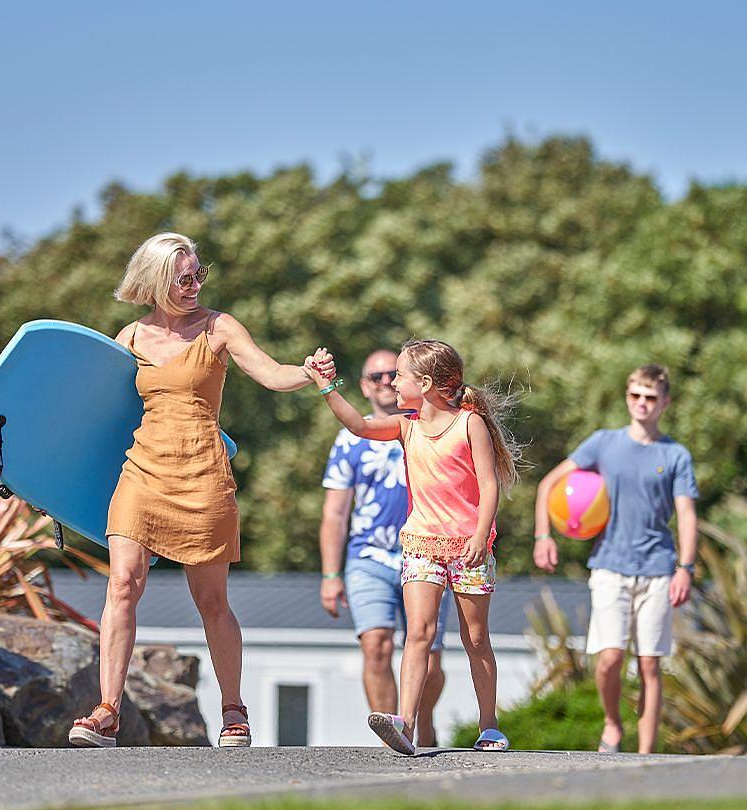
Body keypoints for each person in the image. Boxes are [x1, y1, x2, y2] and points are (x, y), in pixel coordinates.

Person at [69, 232, 334, 748]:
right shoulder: (129, 337)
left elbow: (271, 373)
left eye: (197, 275)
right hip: (142, 470)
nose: (193, 286)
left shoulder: (219, 327)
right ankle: (107, 710)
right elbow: (94, 413)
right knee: (123, 584)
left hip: (203, 474)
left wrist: (307, 372)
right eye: (182, 278)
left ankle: (233, 710)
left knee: (211, 601)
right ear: (154, 282)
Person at [307, 340, 523, 754]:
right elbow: (359, 426)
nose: (393, 383)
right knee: (418, 634)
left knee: (475, 638)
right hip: (422, 543)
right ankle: (404, 722)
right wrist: (326, 387)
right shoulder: (406, 426)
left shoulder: (468, 424)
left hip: (468, 547)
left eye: (400, 376)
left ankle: (489, 724)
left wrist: (481, 536)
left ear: (424, 384)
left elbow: (490, 484)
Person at [532, 364, 698, 754]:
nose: (642, 404)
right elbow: (548, 485)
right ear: (627, 398)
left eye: (651, 397)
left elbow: (687, 515)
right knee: (608, 659)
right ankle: (612, 723)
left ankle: (645, 755)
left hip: (658, 568)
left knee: (650, 665)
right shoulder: (603, 443)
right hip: (609, 565)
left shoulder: (675, 455)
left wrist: (685, 569)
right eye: (635, 395)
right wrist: (543, 536)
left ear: (665, 403)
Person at [319, 349, 452, 747]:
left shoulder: (432, 427)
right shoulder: (351, 439)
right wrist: (330, 575)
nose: (385, 381)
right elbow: (335, 513)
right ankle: (393, 735)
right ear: (364, 385)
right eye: (376, 376)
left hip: (428, 551)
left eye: (393, 373)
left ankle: (421, 720)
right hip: (369, 557)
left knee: (430, 661)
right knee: (376, 646)